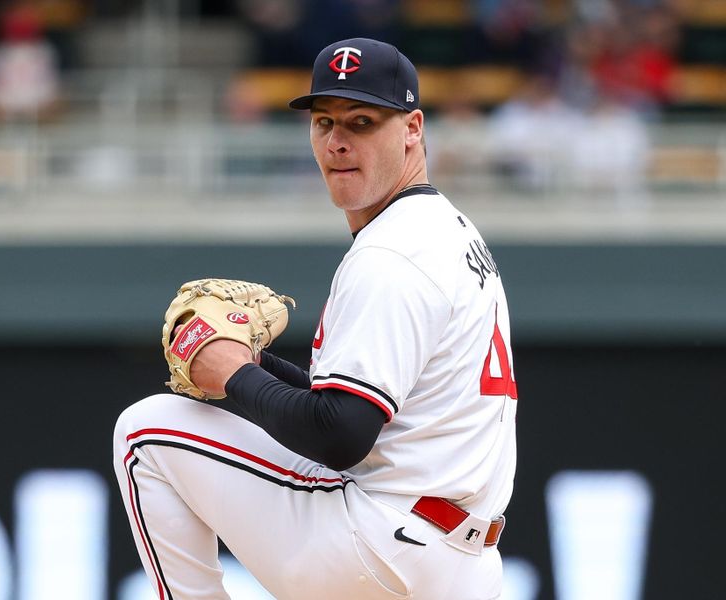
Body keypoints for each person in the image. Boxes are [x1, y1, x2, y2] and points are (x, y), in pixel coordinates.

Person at [113, 37, 518, 600]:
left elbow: (340, 435)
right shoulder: (447, 230)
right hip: (459, 565)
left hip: (385, 546)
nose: (337, 142)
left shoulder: (390, 253)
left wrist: (232, 374)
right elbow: (366, 414)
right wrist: (256, 363)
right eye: (324, 122)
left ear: (413, 128)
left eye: (361, 122)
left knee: (146, 431)